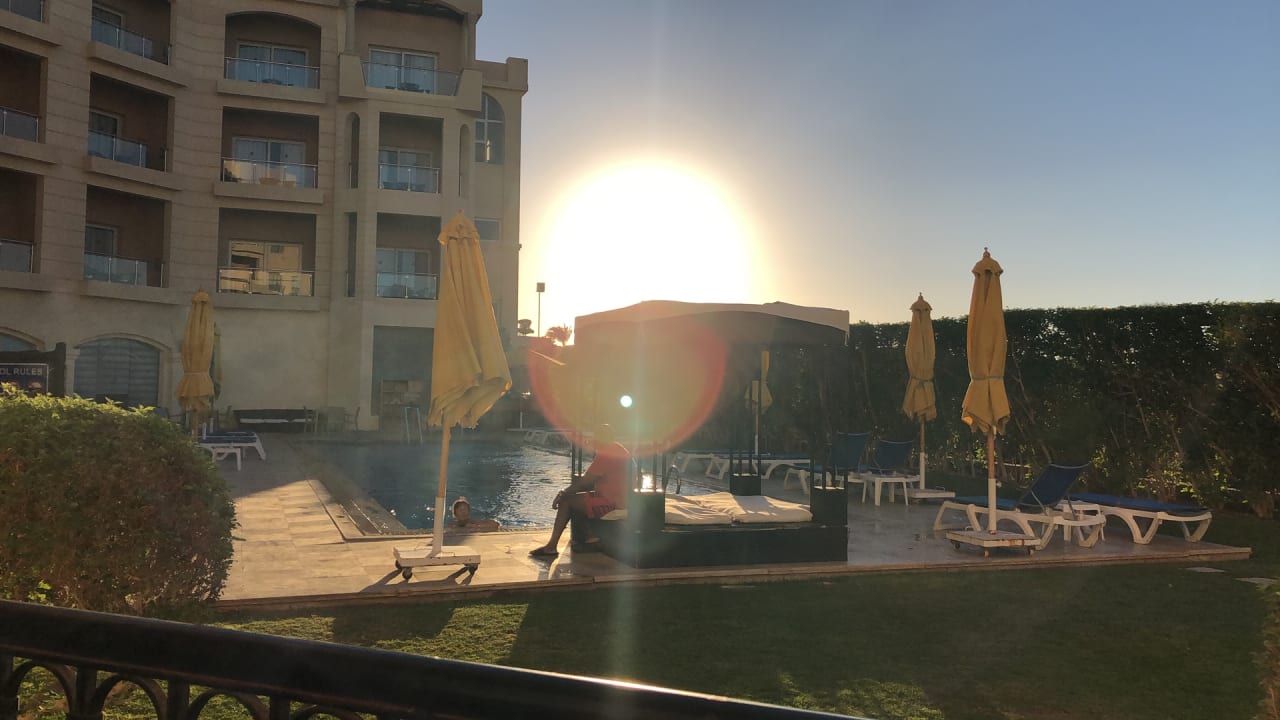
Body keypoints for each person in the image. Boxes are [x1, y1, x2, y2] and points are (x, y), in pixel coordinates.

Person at [529, 424, 630, 558]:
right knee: (577, 499)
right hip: (619, 498)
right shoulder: (618, 449)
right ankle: (589, 538)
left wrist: (562, 493)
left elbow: (586, 481)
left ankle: (552, 547)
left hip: (614, 503)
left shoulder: (607, 454)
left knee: (566, 501)